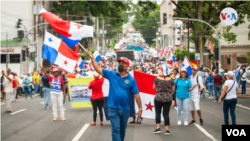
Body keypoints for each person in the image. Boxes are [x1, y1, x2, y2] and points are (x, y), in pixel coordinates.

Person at [85, 50, 142, 141]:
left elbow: (136, 95)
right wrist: (91, 56)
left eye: (122, 64)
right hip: (113, 108)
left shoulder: (131, 80)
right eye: (119, 63)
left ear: (127, 67)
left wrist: (140, 109)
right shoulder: (112, 74)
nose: (120, 65)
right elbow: (97, 68)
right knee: (115, 130)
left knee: (122, 132)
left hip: (125, 109)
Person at [153, 64, 174, 135]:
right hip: (168, 97)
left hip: (158, 97)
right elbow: (173, 89)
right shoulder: (171, 79)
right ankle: (167, 130)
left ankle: (158, 128)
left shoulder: (157, 79)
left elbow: (154, 87)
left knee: (158, 113)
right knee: (166, 114)